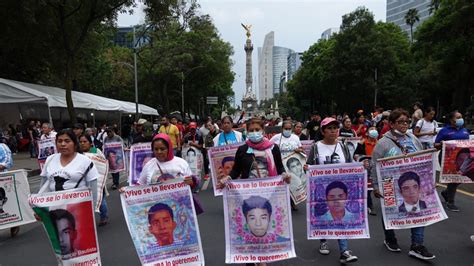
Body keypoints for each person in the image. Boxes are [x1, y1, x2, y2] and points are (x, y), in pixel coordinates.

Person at [371, 108, 435, 260]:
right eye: (400, 122)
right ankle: (390, 238)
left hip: (413, 183)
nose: (404, 124)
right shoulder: (383, 143)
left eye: (407, 121)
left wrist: (428, 180)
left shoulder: (413, 139)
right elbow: (375, 165)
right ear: (391, 124)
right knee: (390, 212)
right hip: (390, 184)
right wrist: (375, 186)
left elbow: (422, 159)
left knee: (418, 210)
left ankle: (417, 245)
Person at [306, 117, 359, 263]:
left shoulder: (343, 146)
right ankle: (323, 240)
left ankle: (344, 250)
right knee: (323, 215)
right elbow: (309, 164)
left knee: (339, 217)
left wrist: (361, 166)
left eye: (335, 128)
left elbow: (350, 164)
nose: (333, 131)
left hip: (339, 188)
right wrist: (307, 168)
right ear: (323, 131)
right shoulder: (316, 147)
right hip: (321, 189)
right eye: (329, 128)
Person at [39, 130, 99, 206]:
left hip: (79, 208)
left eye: (67, 141)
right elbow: (43, 186)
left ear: (75, 144)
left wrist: (91, 212)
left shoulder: (85, 161)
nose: (63, 144)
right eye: (59, 141)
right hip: (54, 208)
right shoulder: (50, 159)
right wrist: (40, 207)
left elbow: (93, 190)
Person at [435, 110, 470, 212]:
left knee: (462, 177)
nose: (460, 119)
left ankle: (446, 193)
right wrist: (442, 144)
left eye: (461, 117)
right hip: (447, 158)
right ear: (451, 120)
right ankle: (450, 202)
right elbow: (435, 145)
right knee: (453, 179)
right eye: (457, 117)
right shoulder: (444, 131)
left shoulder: (465, 131)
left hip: (462, 159)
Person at [79, 134, 109, 226]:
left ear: (90, 143)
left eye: (85, 142)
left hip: (98, 181)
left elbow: (103, 164)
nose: (83, 144)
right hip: (84, 182)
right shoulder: (78, 154)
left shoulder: (96, 151)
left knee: (100, 199)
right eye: (81, 142)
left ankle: (104, 216)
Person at [354, 127, 379, 215]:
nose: (373, 140)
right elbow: (356, 155)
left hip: (376, 168)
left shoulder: (379, 143)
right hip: (366, 168)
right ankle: (370, 206)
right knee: (367, 188)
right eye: (372, 138)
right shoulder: (362, 143)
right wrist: (362, 161)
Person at [1, 136, 19, 237]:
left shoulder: (2, 147)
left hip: (2, 180)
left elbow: (7, 162)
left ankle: (14, 222)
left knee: (7, 203)